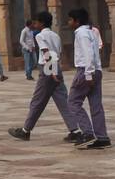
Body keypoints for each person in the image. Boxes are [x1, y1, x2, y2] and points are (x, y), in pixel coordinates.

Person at [7, 11, 77, 143]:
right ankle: (75, 130)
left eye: (36, 22)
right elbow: (58, 53)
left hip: (48, 70)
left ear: (42, 23)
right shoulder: (56, 36)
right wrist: (56, 70)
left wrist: (52, 71)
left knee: (37, 101)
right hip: (56, 67)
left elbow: (46, 52)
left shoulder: (40, 36)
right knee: (63, 101)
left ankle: (25, 130)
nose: (35, 24)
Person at [66, 8, 111, 149]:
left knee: (73, 102)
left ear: (76, 21)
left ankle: (87, 132)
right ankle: (102, 137)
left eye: (70, 20)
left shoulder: (81, 33)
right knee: (96, 105)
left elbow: (88, 53)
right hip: (97, 70)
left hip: (86, 70)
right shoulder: (92, 31)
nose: (68, 23)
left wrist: (88, 73)